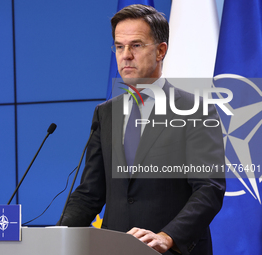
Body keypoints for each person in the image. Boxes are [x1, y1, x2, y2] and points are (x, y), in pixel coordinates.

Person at [59, 5, 226, 255]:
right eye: (119, 46)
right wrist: (56, 236)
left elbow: (209, 188)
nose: (125, 55)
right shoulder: (106, 113)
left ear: (161, 51)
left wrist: (167, 236)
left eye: (136, 45)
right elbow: (90, 193)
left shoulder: (195, 110)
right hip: (114, 249)